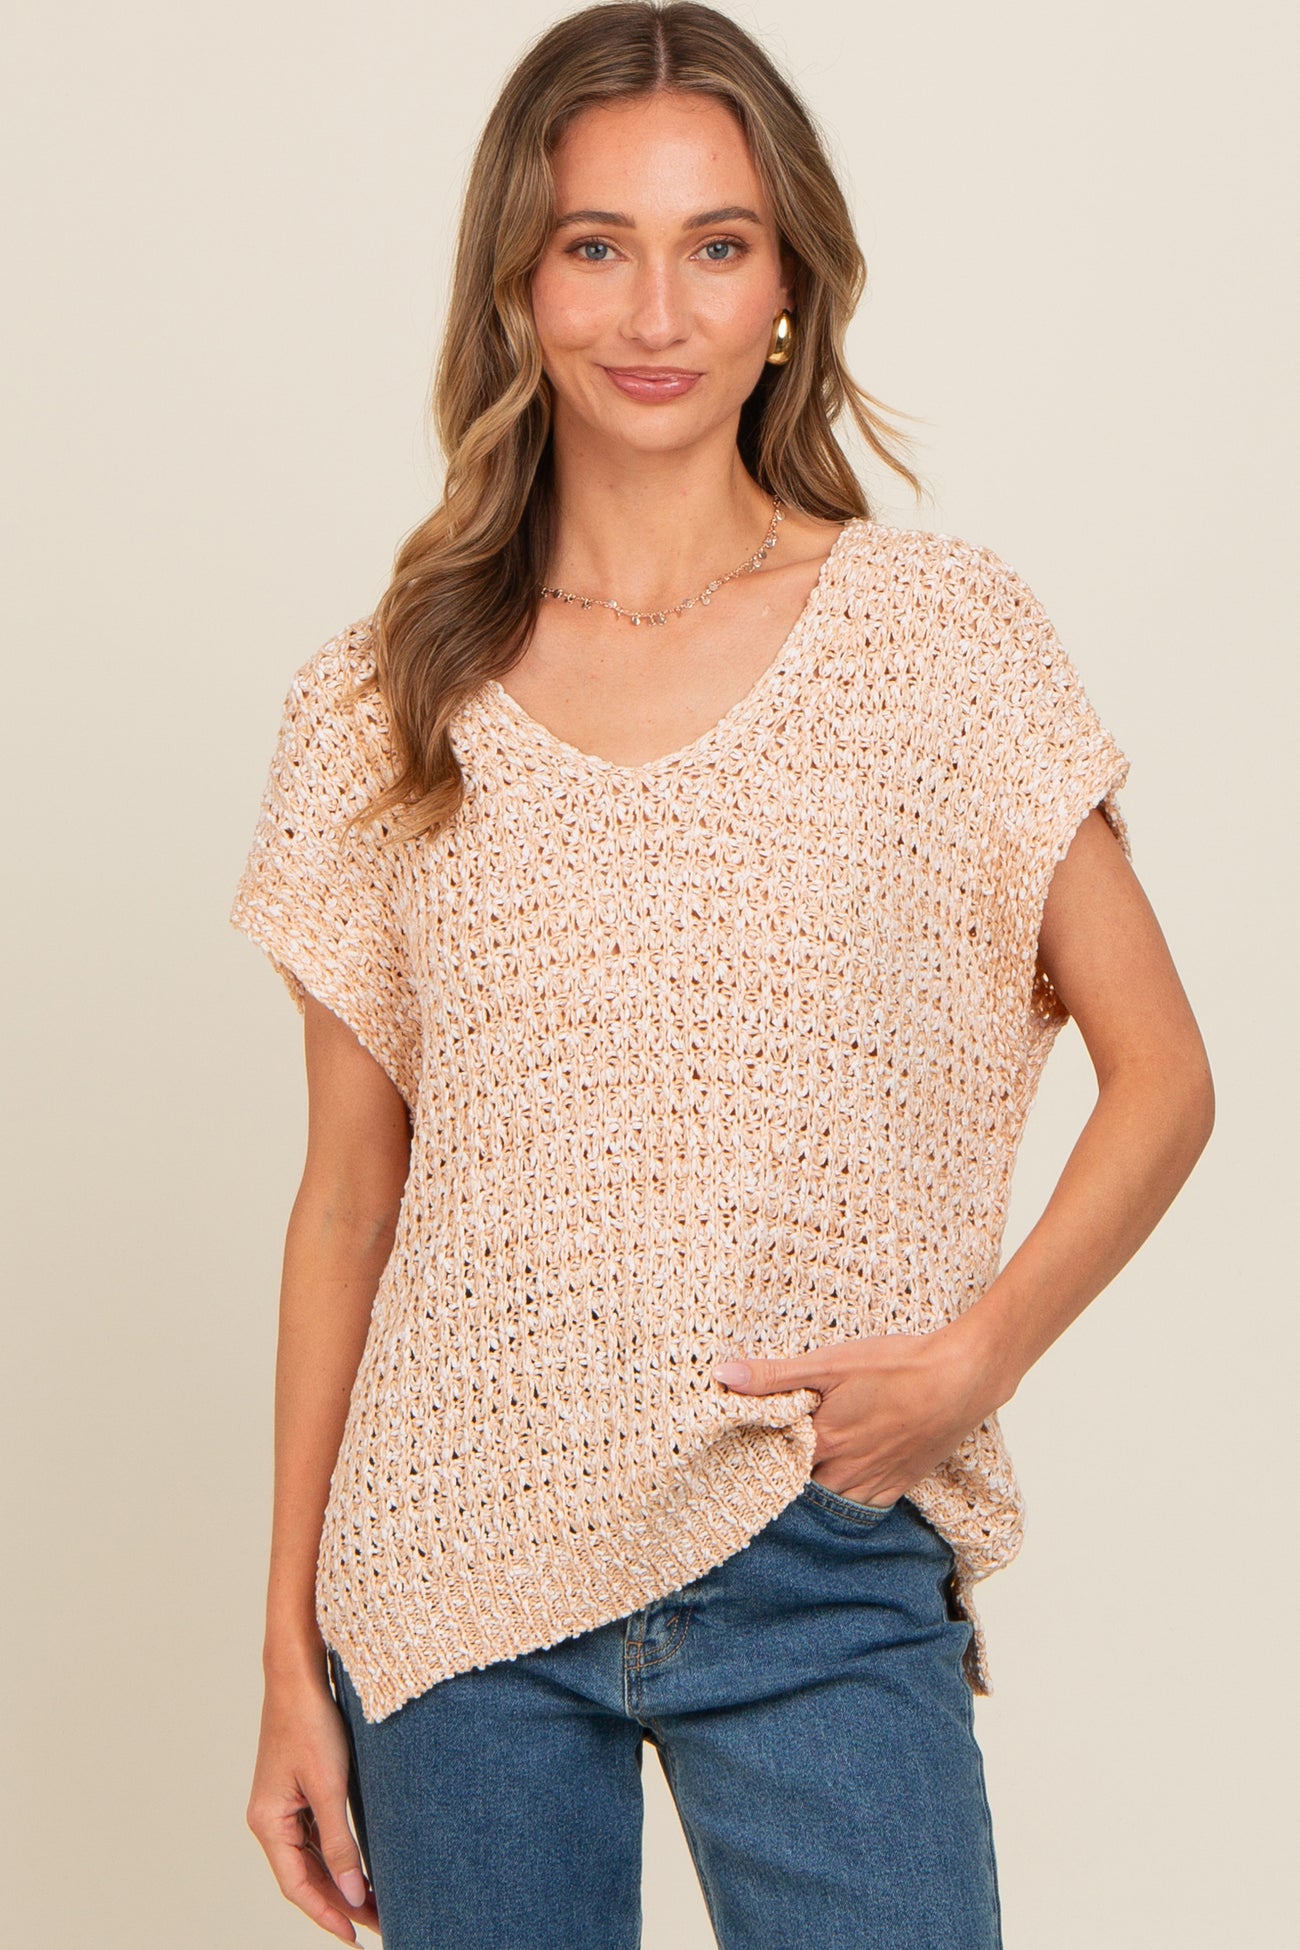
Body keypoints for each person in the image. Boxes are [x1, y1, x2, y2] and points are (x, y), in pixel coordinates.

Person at [231, 5, 1214, 1946]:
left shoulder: (934, 642)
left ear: (787, 289)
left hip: (813, 1539)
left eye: (717, 244)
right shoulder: (381, 698)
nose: (655, 310)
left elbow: (1164, 1073)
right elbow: (348, 1198)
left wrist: (976, 1358)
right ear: (517, 286)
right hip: (451, 1580)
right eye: (595, 244)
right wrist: (284, 1652)